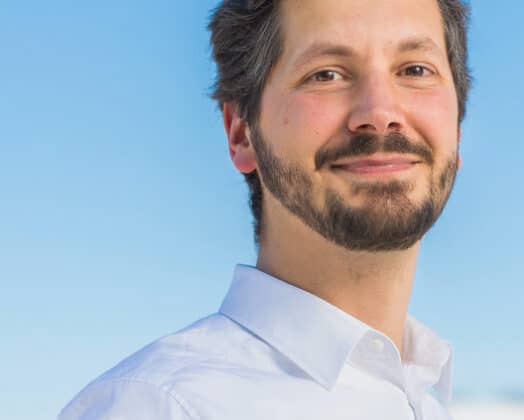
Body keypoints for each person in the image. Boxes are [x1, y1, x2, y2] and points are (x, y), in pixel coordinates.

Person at [59, 0, 471, 418]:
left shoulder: (425, 398)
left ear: (457, 126)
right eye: (325, 74)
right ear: (241, 134)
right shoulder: (157, 406)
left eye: (416, 70)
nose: (381, 114)